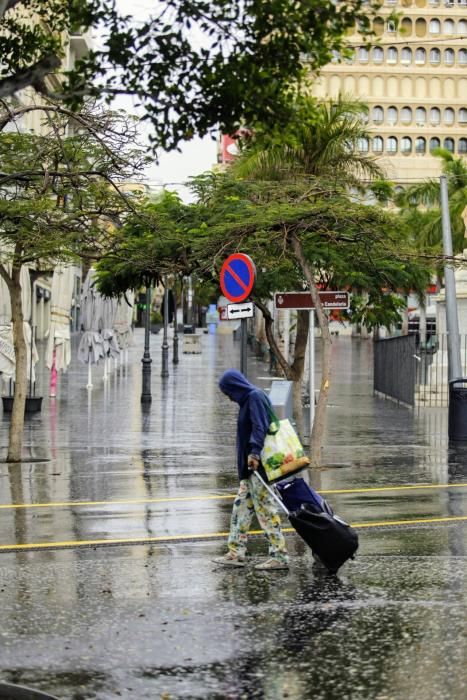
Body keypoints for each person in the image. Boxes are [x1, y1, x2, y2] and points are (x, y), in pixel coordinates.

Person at [213, 369, 289, 570]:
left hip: (258, 467)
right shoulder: (249, 398)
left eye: (228, 392)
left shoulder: (254, 397)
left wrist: (254, 453)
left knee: (265, 510)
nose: (229, 398)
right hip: (249, 470)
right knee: (240, 510)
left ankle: (279, 556)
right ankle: (235, 553)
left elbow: (259, 427)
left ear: (235, 387)